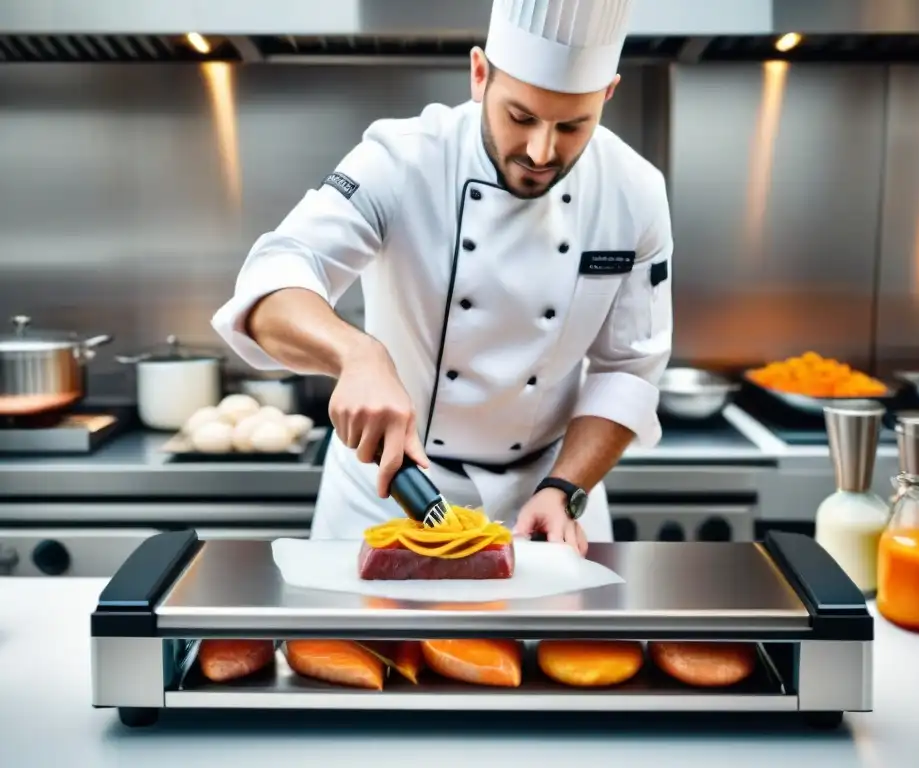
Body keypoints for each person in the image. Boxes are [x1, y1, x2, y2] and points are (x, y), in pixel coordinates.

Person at [211, 0, 673, 556]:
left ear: (607, 95)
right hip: (389, 490)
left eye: (572, 126)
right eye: (520, 117)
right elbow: (274, 279)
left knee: (562, 647)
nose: (541, 151)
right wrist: (355, 355)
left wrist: (566, 488)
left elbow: (628, 370)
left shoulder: (635, 192)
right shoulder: (400, 159)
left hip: (549, 499)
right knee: (357, 647)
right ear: (479, 74)